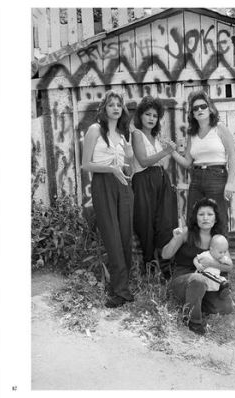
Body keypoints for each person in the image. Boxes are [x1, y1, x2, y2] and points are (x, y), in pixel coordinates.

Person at [81, 90, 134, 308]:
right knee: (112, 237)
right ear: (104, 108)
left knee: (125, 237)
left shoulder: (123, 134)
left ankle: (124, 286)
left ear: (122, 110)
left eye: (118, 105)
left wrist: (127, 158)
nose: (115, 108)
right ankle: (118, 291)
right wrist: (111, 169)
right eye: (111, 104)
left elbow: (128, 165)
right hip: (103, 184)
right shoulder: (95, 130)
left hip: (123, 185)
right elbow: (85, 165)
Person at [161, 198, 235, 335]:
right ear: (196, 217)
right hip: (184, 280)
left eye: (209, 214)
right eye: (201, 214)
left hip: (208, 282)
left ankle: (194, 302)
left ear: (216, 218)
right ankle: (193, 321)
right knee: (198, 280)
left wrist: (212, 264)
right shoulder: (186, 233)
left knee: (227, 307)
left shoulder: (218, 239)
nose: (205, 218)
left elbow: (229, 266)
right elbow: (165, 255)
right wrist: (175, 238)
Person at [171, 90, 235, 233]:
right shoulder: (192, 134)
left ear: (210, 108)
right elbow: (187, 162)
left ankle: (221, 253)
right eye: (195, 108)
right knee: (193, 217)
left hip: (217, 177)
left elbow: (232, 155)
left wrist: (230, 182)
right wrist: (171, 152)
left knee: (219, 218)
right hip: (196, 178)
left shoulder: (219, 128)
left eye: (203, 106)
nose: (199, 110)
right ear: (192, 114)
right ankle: (197, 254)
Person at [130, 96, 178, 277]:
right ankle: (147, 269)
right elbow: (143, 161)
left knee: (165, 223)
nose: (151, 118)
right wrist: (166, 151)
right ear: (140, 116)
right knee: (145, 223)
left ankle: (166, 269)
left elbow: (160, 163)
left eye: (155, 116)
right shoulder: (137, 134)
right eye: (147, 114)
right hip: (143, 181)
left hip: (161, 180)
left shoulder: (156, 136)